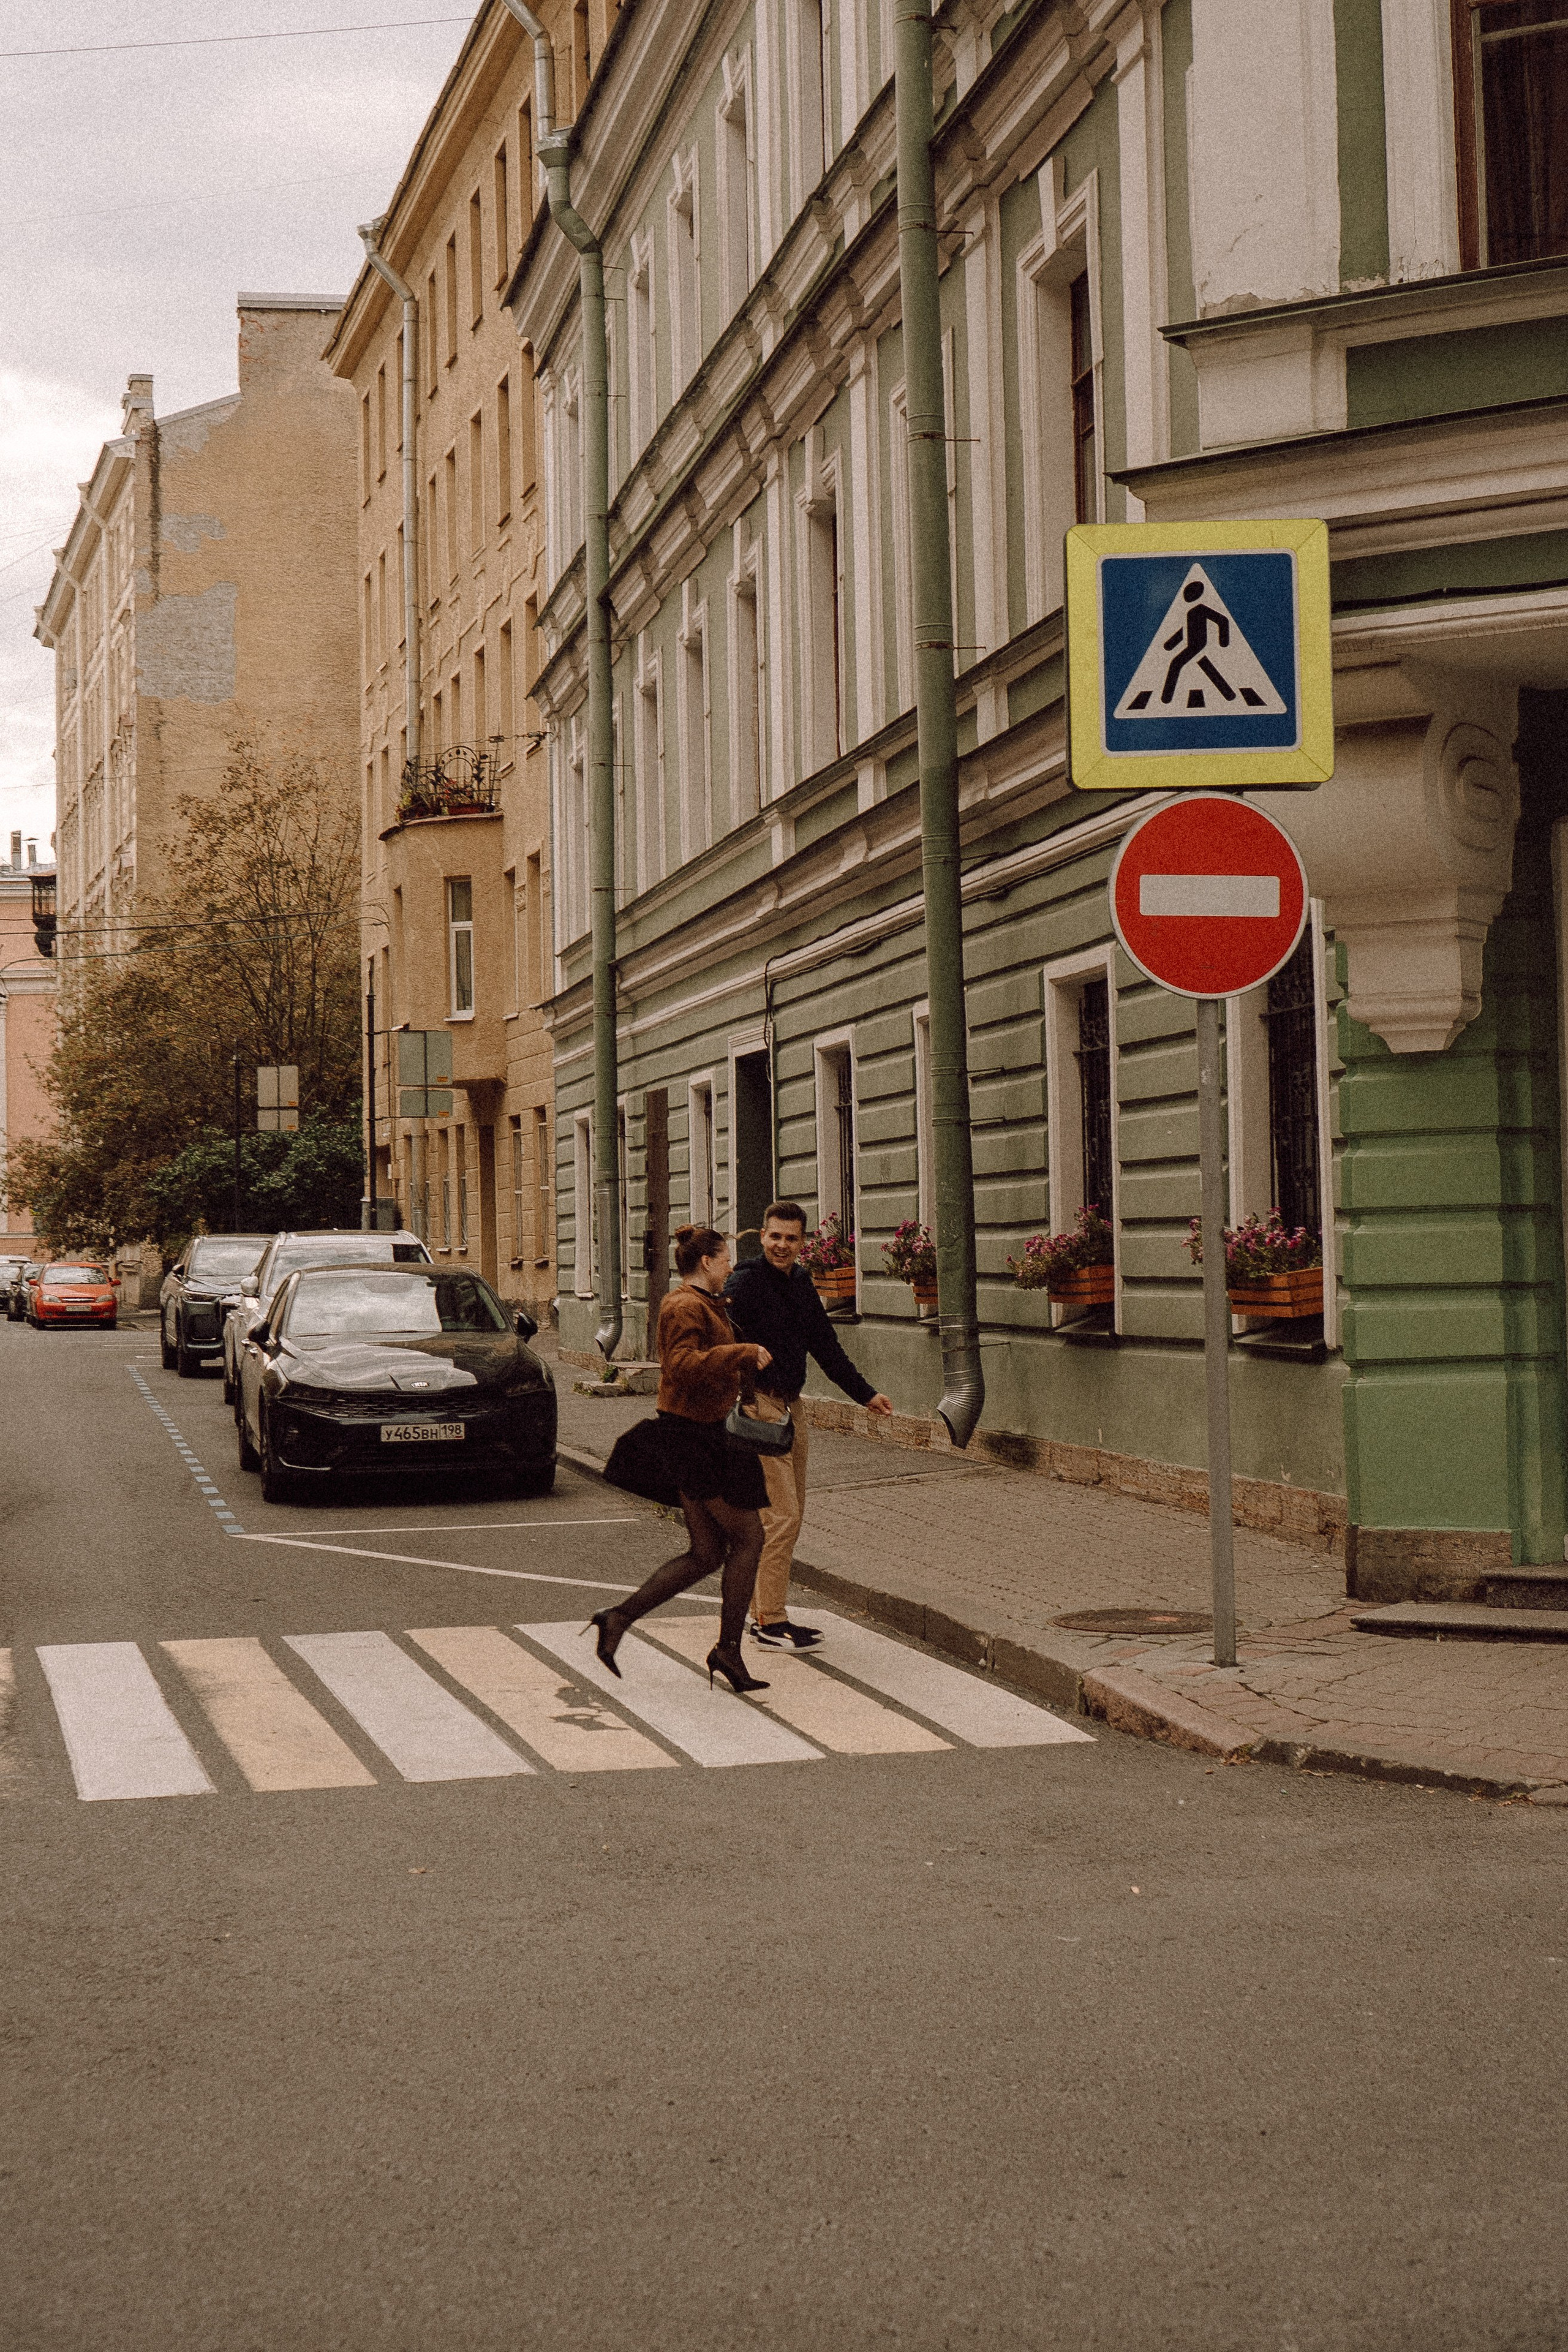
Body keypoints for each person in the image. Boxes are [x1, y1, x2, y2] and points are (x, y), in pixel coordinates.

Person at [587, 1225, 775, 1696]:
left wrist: (746, 1383)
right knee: (749, 1537)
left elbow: (711, 1361)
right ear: (707, 1262)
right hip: (695, 1440)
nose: (731, 1266)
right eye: (726, 1258)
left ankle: (618, 1619)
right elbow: (682, 1365)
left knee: (707, 1553)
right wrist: (741, 1352)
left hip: (708, 1434)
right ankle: (727, 1650)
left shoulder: (708, 1303)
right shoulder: (683, 1306)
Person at [723, 1200, 893, 1649]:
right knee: (781, 1517)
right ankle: (769, 1621)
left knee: (790, 1514)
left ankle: (763, 1613)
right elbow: (717, 1340)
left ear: (803, 1243)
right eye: (775, 1236)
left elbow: (825, 1345)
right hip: (758, 1406)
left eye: (791, 1238)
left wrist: (865, 1394)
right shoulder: (744, 1283)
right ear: (763, 1236)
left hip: (790, 1408)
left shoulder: (801, 1282)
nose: (782, 1245)